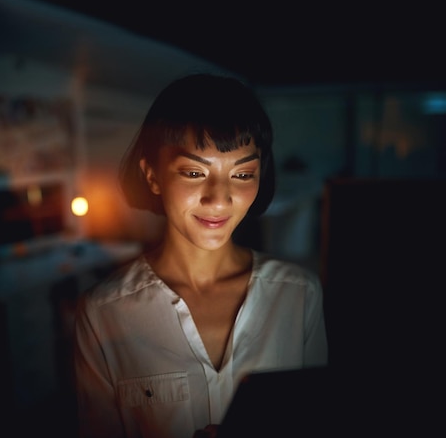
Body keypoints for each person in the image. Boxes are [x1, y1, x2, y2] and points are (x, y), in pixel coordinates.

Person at [73, 73, 328, 438]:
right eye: (194, 172)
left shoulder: (298, 294)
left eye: (242, 174)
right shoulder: (103, 313)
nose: (219, 199)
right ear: (152, 176)